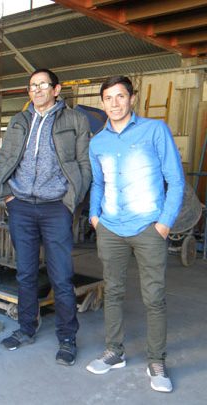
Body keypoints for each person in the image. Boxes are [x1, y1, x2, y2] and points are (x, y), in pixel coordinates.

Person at [86, 76, 184, 393]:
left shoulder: (155, 131)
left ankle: (157, 361)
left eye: (120, 96)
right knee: (113, 292)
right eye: (109, 98)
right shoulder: (97, 142)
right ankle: (114, 351)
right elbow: (98, 183)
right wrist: (95, 216)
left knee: (153, 297)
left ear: (131, 99)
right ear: (102, 103)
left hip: (148, 227)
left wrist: (164, 223)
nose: (115, 103)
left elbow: (176, 179)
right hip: (111, 227)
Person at [0, 68, 91, 366]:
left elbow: (84, 163)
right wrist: (8, 195)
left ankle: (67, 337)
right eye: (32, 86)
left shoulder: (74, 120)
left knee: (61, 275)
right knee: (25, 273)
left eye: (42, 85)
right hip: (21, 205)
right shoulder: (19, 120)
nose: (36, 90)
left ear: (56, 89)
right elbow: (5, 158)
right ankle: (26, 327)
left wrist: (69, 202)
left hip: (55, 208)